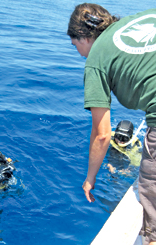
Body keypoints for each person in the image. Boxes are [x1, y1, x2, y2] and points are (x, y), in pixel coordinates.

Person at [67, 4, 156, 245]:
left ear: (84, 37)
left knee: (152, 203)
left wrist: (90, 179)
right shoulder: (143, 18)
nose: (80, 54)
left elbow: (102, 134)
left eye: (76, 46)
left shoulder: (96, 59)